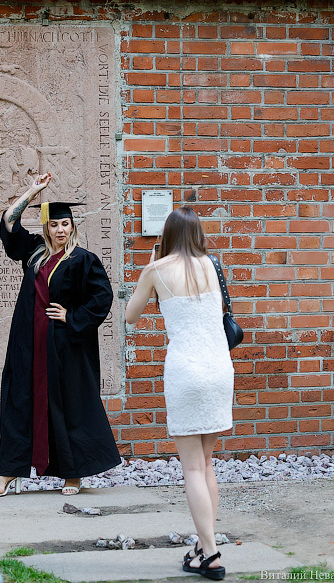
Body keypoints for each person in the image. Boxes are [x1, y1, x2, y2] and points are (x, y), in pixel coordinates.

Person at [0, 172, 121, 497]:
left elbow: (102, 297)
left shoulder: (83, 260)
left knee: (68, 407)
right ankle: (9, 471)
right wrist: (32, 191)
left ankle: (72, 474)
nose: (60, 230)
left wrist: (71, 317)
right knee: (20, 402)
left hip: (65, 347)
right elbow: (9, 222)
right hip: (28, 344)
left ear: (72, 227)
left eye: (65, 224)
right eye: (54, 225)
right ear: (46, 228)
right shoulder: (34, 252)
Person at [124, 206, 234, 581]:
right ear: (198, 234)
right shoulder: (212, 265)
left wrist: (149, 269)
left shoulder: (157, 270)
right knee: (207, 464)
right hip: (219, 369)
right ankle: (203, 547)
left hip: (186, 372)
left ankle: (211, 553)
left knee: (192, 468)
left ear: (167, 236)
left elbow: (130, 315)